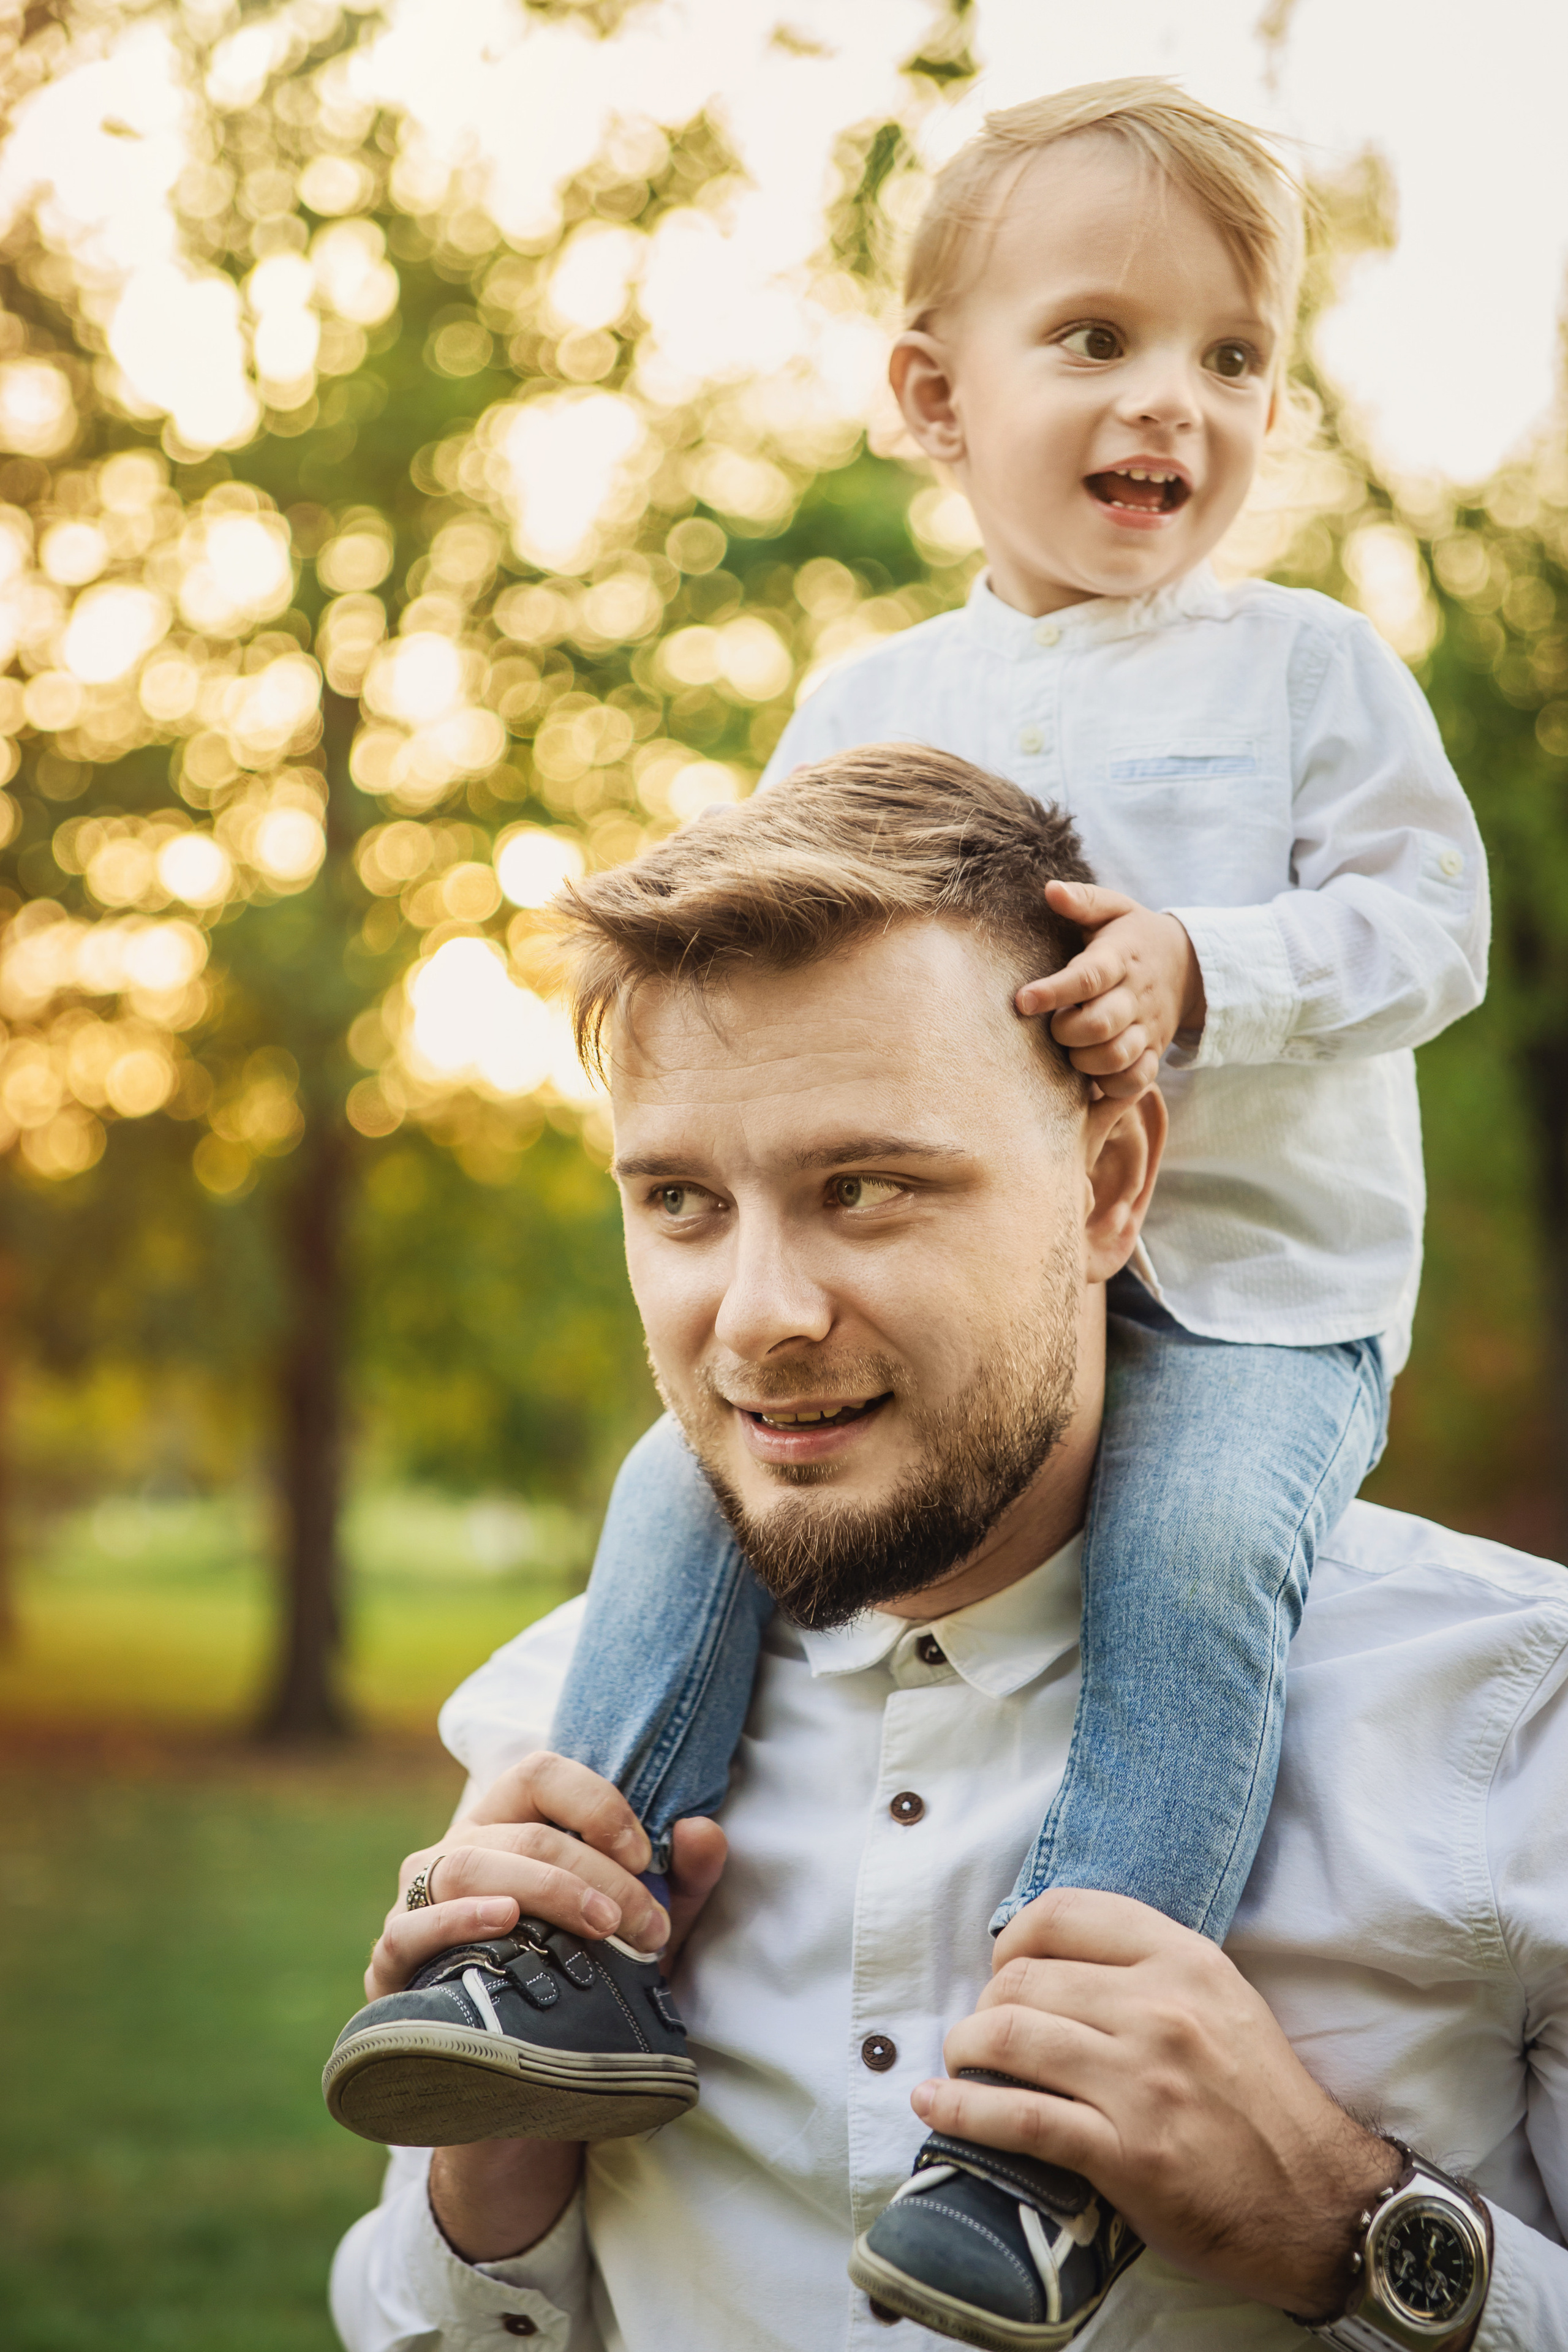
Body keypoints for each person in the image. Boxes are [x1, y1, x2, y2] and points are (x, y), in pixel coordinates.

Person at [325, 76, 1488, 2345]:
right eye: (1099, 341)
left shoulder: (1308, 669)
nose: (1176, 401)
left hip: (1254, 1297)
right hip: (981, 1326)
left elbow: (1433, 923)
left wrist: (1209, 968)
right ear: (937, 400)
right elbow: (773, 993)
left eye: (1233, 358)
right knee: (688, 1486)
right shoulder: (875, 696)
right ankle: (571, 1945)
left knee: (1187, 1571)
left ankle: (1035, 2149)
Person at [328, 751, 1566, 2352]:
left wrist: (1350, 2225)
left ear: (1111, 1183)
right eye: (685, 1203)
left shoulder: (1512, 1718)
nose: (762, 1315)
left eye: (864, 1188)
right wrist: (486, 2191)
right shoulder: (558, 1727)